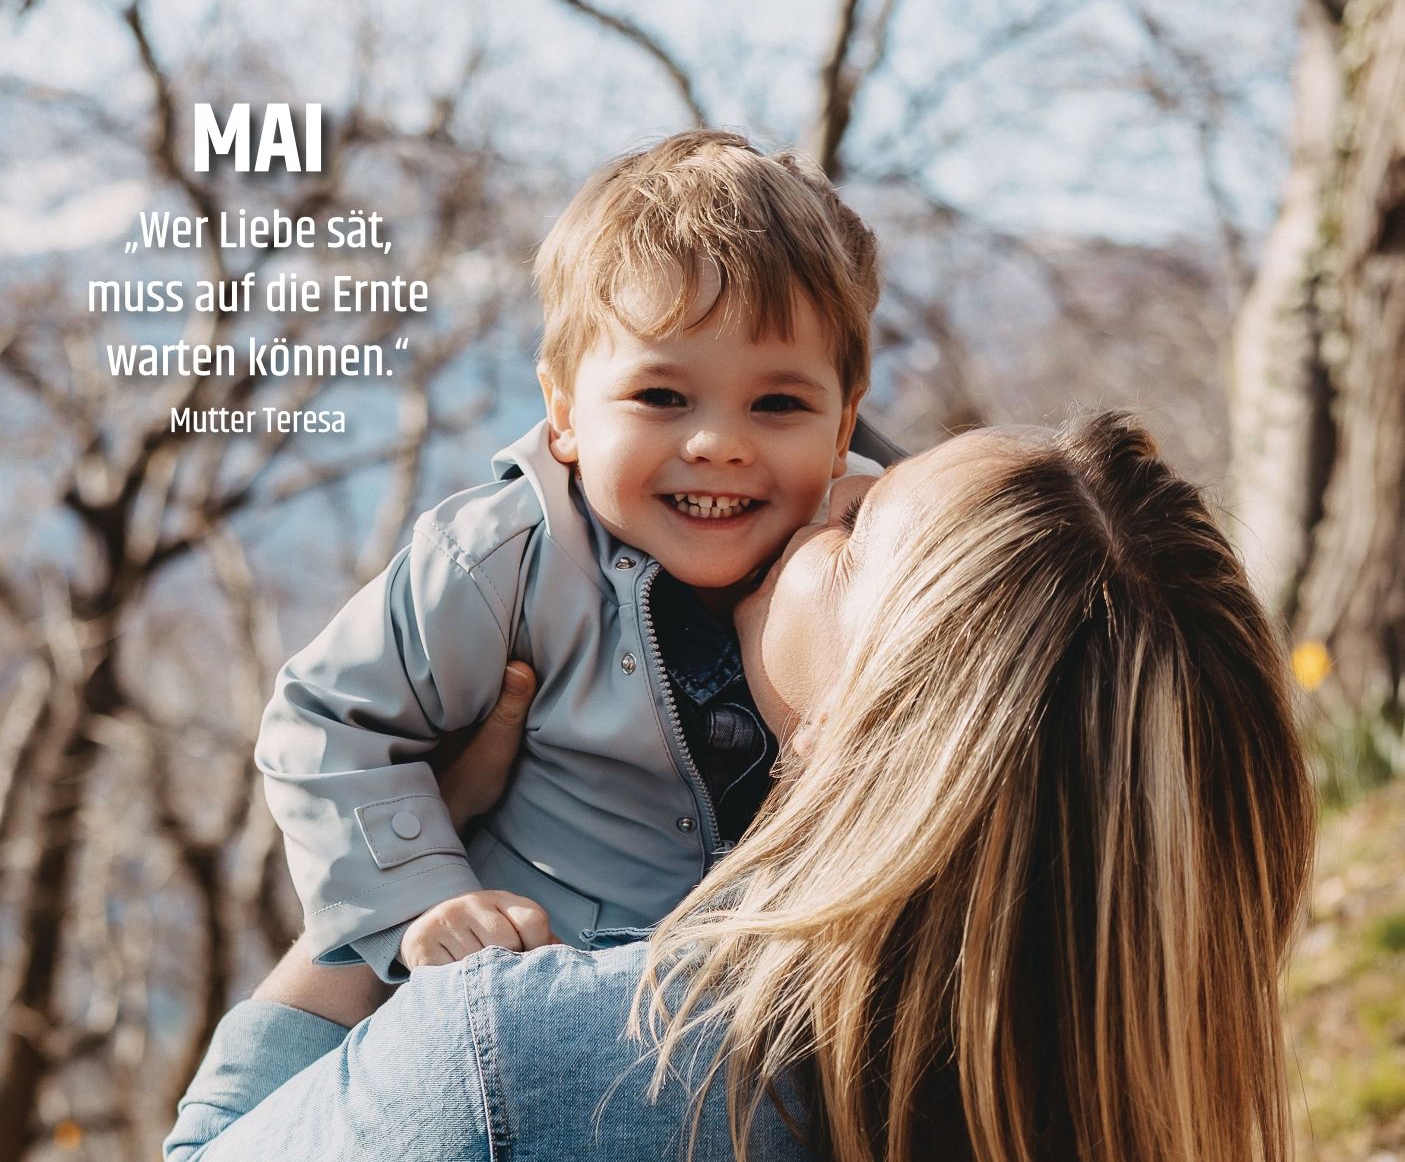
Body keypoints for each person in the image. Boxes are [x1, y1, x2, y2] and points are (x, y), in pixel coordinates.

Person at [167, 413, 1315, 1162]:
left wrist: (420, 852)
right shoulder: (1134, 1101)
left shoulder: (531, 1064)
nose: (820, 492)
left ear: (866, 737)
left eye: (861, 528)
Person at [255, 129, 885, 982]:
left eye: (777, 402)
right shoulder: (502, 560)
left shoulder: (880, 563)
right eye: (659, 395)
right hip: (546, 987)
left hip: (789, 1005)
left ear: (843, 426)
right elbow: (325, 719)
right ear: (564, 411)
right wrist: (425, 897)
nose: (718, 442)